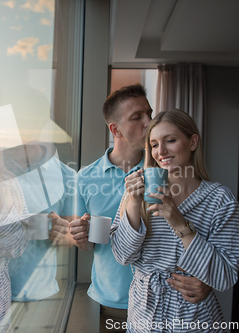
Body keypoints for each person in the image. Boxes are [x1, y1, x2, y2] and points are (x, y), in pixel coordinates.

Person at [70, 85, 212, 332]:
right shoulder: (85, 178)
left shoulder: (170, 168)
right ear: (115, 129)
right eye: (137, 117)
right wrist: (80, 236)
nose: (149, 121)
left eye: (149, 112)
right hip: (112, 303)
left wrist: (208, 280)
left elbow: (201, 232)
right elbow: (89, 243)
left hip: (169, 304)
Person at [110, 109, 239, 332]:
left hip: (193, 322)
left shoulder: (220, 200)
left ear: (192, 142)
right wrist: (133, 202)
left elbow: (225, 277)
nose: (160, 151)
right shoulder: (138, 193)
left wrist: (180, 223)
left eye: (170, 140)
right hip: (143, 320)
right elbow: (123, 256)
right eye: (153, 144)